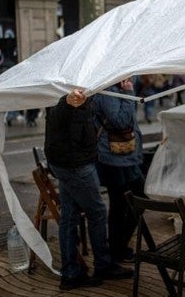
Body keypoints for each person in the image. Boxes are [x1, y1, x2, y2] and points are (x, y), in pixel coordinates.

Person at [44, 89, 133, 291]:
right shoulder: (67, 96)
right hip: (75, 164)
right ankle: (102, 265)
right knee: (97, 212)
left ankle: (71, 273)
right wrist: (68, 101)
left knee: (70, 215)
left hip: (67, 162)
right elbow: (62, 110)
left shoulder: (85, 91)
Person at [94, 78, 146, 263]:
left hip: (124, 157)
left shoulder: (115, 89)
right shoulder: (108, 91)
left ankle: (118, 246)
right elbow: (121, 121)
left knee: (124, 203)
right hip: (115, 159)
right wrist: (129, 93)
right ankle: (116, 248)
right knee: (126, 203)